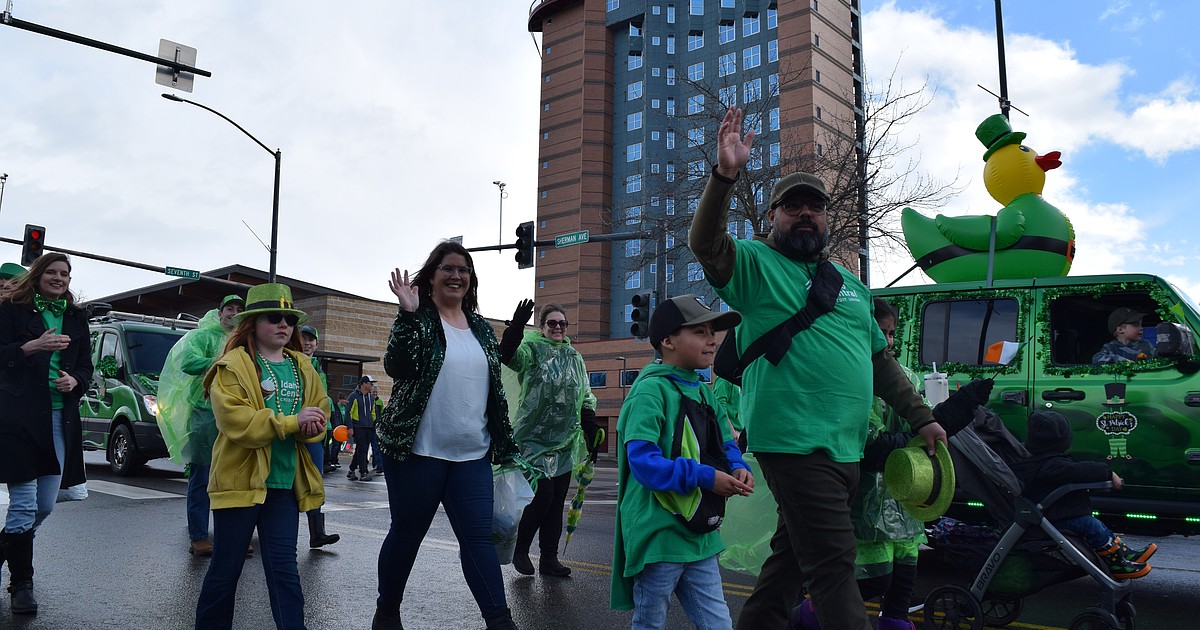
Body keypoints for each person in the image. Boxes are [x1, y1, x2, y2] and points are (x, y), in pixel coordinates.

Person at [688, 106, 945, 630]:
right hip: (793, 443)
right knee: (833, 566)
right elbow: (706, 244)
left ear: (827, 217)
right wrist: (725, 177)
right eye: (792, 207)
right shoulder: (758, 266)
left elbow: (880, 361)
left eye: (815, 207)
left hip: (846, 447)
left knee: (787, 565)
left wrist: (921, 418)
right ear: (776, 216)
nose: (805, 214)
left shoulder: (851, 285)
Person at [371, 242, 521, 630]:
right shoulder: (418, 319)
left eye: (464, 270)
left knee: (478, 542)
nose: (457, 276)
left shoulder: (482, 329)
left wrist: (504, 443)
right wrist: (405, 314)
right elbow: (398, 367)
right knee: (407, 535)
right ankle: (387, 612)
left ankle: (500, 621)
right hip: (418, 452)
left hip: (472, 456)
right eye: (448, 268)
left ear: (471, 281)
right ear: (432, 276)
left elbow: (495, 390)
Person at [831, 299, 992, 630]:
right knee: (873, 579)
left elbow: (927, 423)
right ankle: (812, 616)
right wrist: (918, 439)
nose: (888, 341)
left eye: (892, 333)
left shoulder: (906, 378)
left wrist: (965, 402)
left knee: (904, 581)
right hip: (864, 495)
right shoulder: (847, 377)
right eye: (881, 331)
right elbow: (871, 445)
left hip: (904, 493)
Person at [610, 294, 754, 629]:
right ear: (667, 341)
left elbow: (726, 442)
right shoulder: (649, 393)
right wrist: (707, 477)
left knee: (717, 622)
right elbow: (644, 464)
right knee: (650, 622)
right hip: (659, 533)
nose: (712, 340)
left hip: (700, 533)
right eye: (700, 332)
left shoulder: (704, 391)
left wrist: (738, 467)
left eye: (713, 333)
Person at [194, 282, 329, 629]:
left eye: (289, 319)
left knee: (285, 571)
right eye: (274, 318)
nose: (284, 324)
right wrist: (291, 422)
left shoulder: (303, 366)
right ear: (252, 322)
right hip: (240, 482)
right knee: (226, 569)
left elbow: (320, 408)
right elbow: (235, 422)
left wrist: (315, 425)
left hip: (285, 485)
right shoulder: (233, 365)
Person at [0, 252, 93, 615]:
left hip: (59, 417)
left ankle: (8, 548)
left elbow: (85, 364)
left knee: (45, 505)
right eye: (52, 272)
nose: (59, 278)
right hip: (19, 417)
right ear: (38, 275)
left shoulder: (75, 316)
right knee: (23, 504)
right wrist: (30, 347)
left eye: (65, 274)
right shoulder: (12, 310)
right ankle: (22, 583)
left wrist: (76, 381)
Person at [499, 300, 599, 577]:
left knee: (556, 503)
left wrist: (590, 428)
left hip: (565, 442)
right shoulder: (531, 349)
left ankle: (549, 559)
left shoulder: (574, 357)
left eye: (562, 324)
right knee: (542, 496)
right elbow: (507, 356)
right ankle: (521, 548)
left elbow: (585, 394)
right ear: (542, 327)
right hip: (533, 440)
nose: (558, 328)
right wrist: (516, 326)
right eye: (552, 323)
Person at [1010, 411, 1156, 579]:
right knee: (1092, 526)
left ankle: (1125, 554)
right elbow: (1081, 470)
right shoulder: (1051, 466)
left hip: (1052, 514)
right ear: (1065, 440)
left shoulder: (1040, 463)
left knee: (1096, 526)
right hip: (1050, 519)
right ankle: (1117, 564)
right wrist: (1108, 472)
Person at [157, 293, 244, 557]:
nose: (234, 313)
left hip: (236, 414)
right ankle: (198, 536)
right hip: (205, 415)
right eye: (229, 308)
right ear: (220, 313)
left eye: (239, 309)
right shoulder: (202, 337)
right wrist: (220, 362)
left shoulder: (245, 341)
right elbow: (189, 362)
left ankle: (231, 537)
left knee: (233, 480)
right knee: (202, 477)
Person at [298, 324, 339, 548]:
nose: (307, 343)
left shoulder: (318, 367)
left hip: (317, 432)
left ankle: (317, 533)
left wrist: (328, 427)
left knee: (315, 481)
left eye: (311, 339)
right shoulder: (291, 362)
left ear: (317, 343)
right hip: (296, 429)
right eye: (303, 339)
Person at [346, 375, 377, 481]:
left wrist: (373, 424)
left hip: (368, 427)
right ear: (363, 384)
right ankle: (363, 472)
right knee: (363, 449)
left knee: (360, 449)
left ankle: (351, 470)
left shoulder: (371, 398)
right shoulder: (353, 396)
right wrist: (350, 427)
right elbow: (348, 412)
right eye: (370, 383)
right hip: (358, 426)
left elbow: (373, 413)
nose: (372, 385)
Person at [326, 392, 348, 471]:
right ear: (340, 400)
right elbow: (334, 418)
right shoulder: (336, 407)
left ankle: (335, 460)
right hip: (337, 428)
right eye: (344, 399)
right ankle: (332, 460)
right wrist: (334, 427)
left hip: (342, 429)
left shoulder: (345, 408)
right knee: (335, 445)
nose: (345, 401)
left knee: (338, 446)